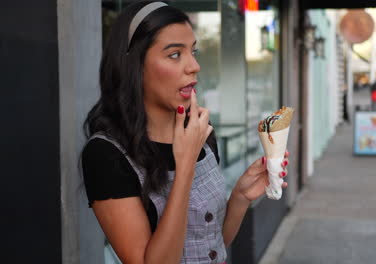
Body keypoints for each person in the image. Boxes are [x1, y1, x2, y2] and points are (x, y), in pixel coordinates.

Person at [79, 2, 289, 263]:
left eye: (193, 51)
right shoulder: (106, 155)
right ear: (135, 65)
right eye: (175, 54)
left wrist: (240, 197)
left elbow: (211, 246)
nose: (194, 66)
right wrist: (185, 164)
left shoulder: (200, 132)